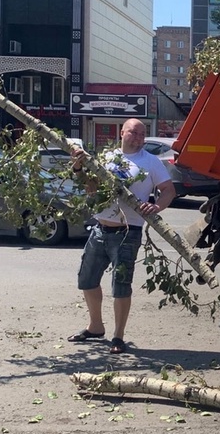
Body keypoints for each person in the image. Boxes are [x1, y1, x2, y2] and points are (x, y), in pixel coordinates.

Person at [67, 118, 176, 354]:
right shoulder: (107, 158)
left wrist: (156, 206)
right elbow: (91, 187)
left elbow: (169, 191)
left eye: (142, 134)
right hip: (100, 228)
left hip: (128, 231)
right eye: (133, 133)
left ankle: (118, 336)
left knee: (121, 286)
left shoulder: (151, 162)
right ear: (122, 133)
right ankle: (95, 327)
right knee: (87, 279)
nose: (138, 138)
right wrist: (77, 167)